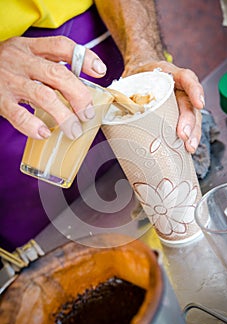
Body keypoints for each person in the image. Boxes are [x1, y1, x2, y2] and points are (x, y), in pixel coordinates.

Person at [0, 0, 204, 251]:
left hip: (114, 59)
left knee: (179, 234)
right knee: (60, 269)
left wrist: (142, 53)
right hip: (10, 128)